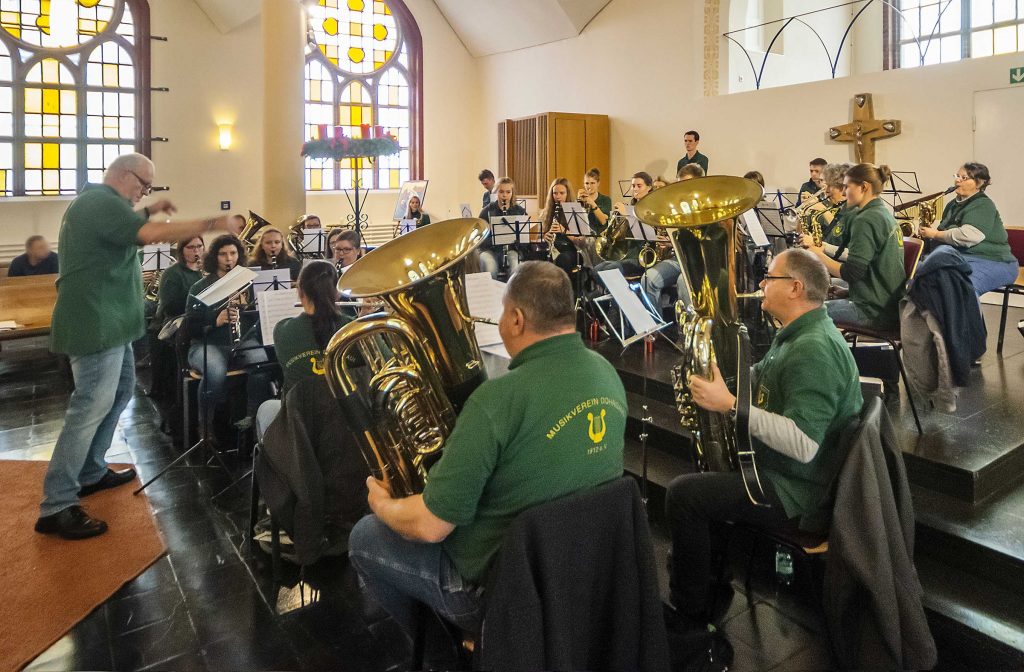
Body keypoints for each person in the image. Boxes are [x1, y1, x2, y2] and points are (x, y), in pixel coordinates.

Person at [347, 261, 627, 638]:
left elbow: (431, 527)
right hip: (585, 568)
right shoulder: (606, 372)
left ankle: (439, 652)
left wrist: (382, 505)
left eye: (501, 314)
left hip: (499, 588)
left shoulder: (495, 399)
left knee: (364, 536)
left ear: (515, 319)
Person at [36, 152, 241, 539]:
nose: (144, 193)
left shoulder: (102, 205)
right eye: (143, 186)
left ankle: (90, 471)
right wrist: (214, 222)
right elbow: (148, 235)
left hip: (112, 323)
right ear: (123, 175)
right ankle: (57, 503)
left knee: (118, 394)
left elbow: (130, 227)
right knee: (88, 407)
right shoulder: (99, 202)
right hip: (96, 323)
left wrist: (147, 209)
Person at [665, 248, 862, 628]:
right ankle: (711, 587)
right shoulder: (797, 333)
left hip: (797, 491)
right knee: (700, 474)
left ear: (795, 287)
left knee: (683, 495)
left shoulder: (813, 349)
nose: (760, 285)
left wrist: (730, 406)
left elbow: (804, 444)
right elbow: (766, 376)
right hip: (785, 474)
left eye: (768, 278)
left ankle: (688, 615)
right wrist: (723, 378)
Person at [255, 261, 353, 440]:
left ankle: (282, 465)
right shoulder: (353, 328)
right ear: (337, 292)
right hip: (347, 423)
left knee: (265, 409)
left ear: (299, 292)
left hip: (301, 423)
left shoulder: (282, 330)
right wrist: (363, 321)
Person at [185, 234, 269, 437]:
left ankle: (252, 421)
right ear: (214, 257)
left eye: (233, 253)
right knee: (214, 373)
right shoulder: (200, 287)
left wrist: (248, 308)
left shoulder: (248, 283)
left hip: (242, 341)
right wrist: (215, 321)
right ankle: (205, 425)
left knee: (262, 368)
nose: (229, 259)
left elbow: (259, 320)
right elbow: (189, 327)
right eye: (223, 254)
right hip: (207, 343)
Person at [808, 163, 906, 330]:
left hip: (872, 311)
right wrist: (847, 292)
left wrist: (818, 256)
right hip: (886, 305)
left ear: (864, 187)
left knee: (803, 312)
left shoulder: (866, 219)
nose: (844, 192)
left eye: (847, 186)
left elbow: (851, 273)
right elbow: (874, 269)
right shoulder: (882, 213)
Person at [917, 162, 1019, 296]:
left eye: (964, 178)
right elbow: (945, 232)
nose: (957, 180)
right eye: (957, 176)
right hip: (961, 258)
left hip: (993, 261)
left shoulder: (983, 204)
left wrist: (935, 234)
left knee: (964, 289)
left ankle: (964, 317)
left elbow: (969, 236)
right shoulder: (952, 205)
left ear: (979, 183)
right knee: (922, 276)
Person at [640, 164, 704, 311]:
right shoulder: (676, 206)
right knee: (647, 279)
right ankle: (656, 330)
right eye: (680, 183)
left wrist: (675, 241)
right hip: (679, 258)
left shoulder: (705, 206)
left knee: (683, 281)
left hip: (700, 260)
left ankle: (688, 331)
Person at [594, 171, 654, 279]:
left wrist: (627, 215)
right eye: (633, 186)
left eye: (639, 186)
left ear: (649, 187)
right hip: (626, 254)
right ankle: (613, 294)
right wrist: (617, 220)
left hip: (641, 256)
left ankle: (621, 294)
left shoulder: (651, 209)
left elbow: (646, 235)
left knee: (610, 269)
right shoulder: (630, 207)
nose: (635, 189)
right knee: (596, 270)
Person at [800, 163, 852, 263]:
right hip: (818, 257)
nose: (825, 189)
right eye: (824, 183)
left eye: (830, 185)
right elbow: (801, 232)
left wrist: (823, 210)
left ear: (841, 187)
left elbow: (840, 233)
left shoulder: (849, 208)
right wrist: (803, 211)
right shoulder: (823, 203)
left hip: (834, 261)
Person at [478, 176, 527, 279]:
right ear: (496, 192)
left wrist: (517, 241)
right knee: (490, 268)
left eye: (508, 192)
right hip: (490, 250)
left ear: (512, 193)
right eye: (501, 192)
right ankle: (491, 294)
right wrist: (496, 238)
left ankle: (512, 294)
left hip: (511, 250)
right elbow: (480, 240)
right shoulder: (486, 211)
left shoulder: (519, 211)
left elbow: (525, 240)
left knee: (515, 267)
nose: (504, 195)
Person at [154, 236, 205, 330]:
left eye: (199, 246)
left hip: (202, 318)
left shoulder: (206, 270)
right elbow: (170, 307)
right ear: (182, 250)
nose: (196, 251)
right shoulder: (172, 273)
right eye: (190, 247)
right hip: (178, 322)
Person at [540, 177, 579, 276]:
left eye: (562, 193)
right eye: (555, 193)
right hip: (552, 248)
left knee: (562, 259)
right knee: (534, 258)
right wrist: (545, 236)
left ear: (568, 194)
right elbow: (539, 237)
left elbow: (582, 241)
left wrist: (564, 230)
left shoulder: (575, 211)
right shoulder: (547, 212)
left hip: (571, 250)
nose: (558, 196)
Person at [577, 167, 612, 234]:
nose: (589, 186)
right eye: (587, 183)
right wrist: (579, 204)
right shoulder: (581, 199)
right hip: (584, 236)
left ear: (598, 183)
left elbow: (603, 221)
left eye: (592, 183)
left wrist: (593, 204)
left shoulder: (606, 199)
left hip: (600, 236)